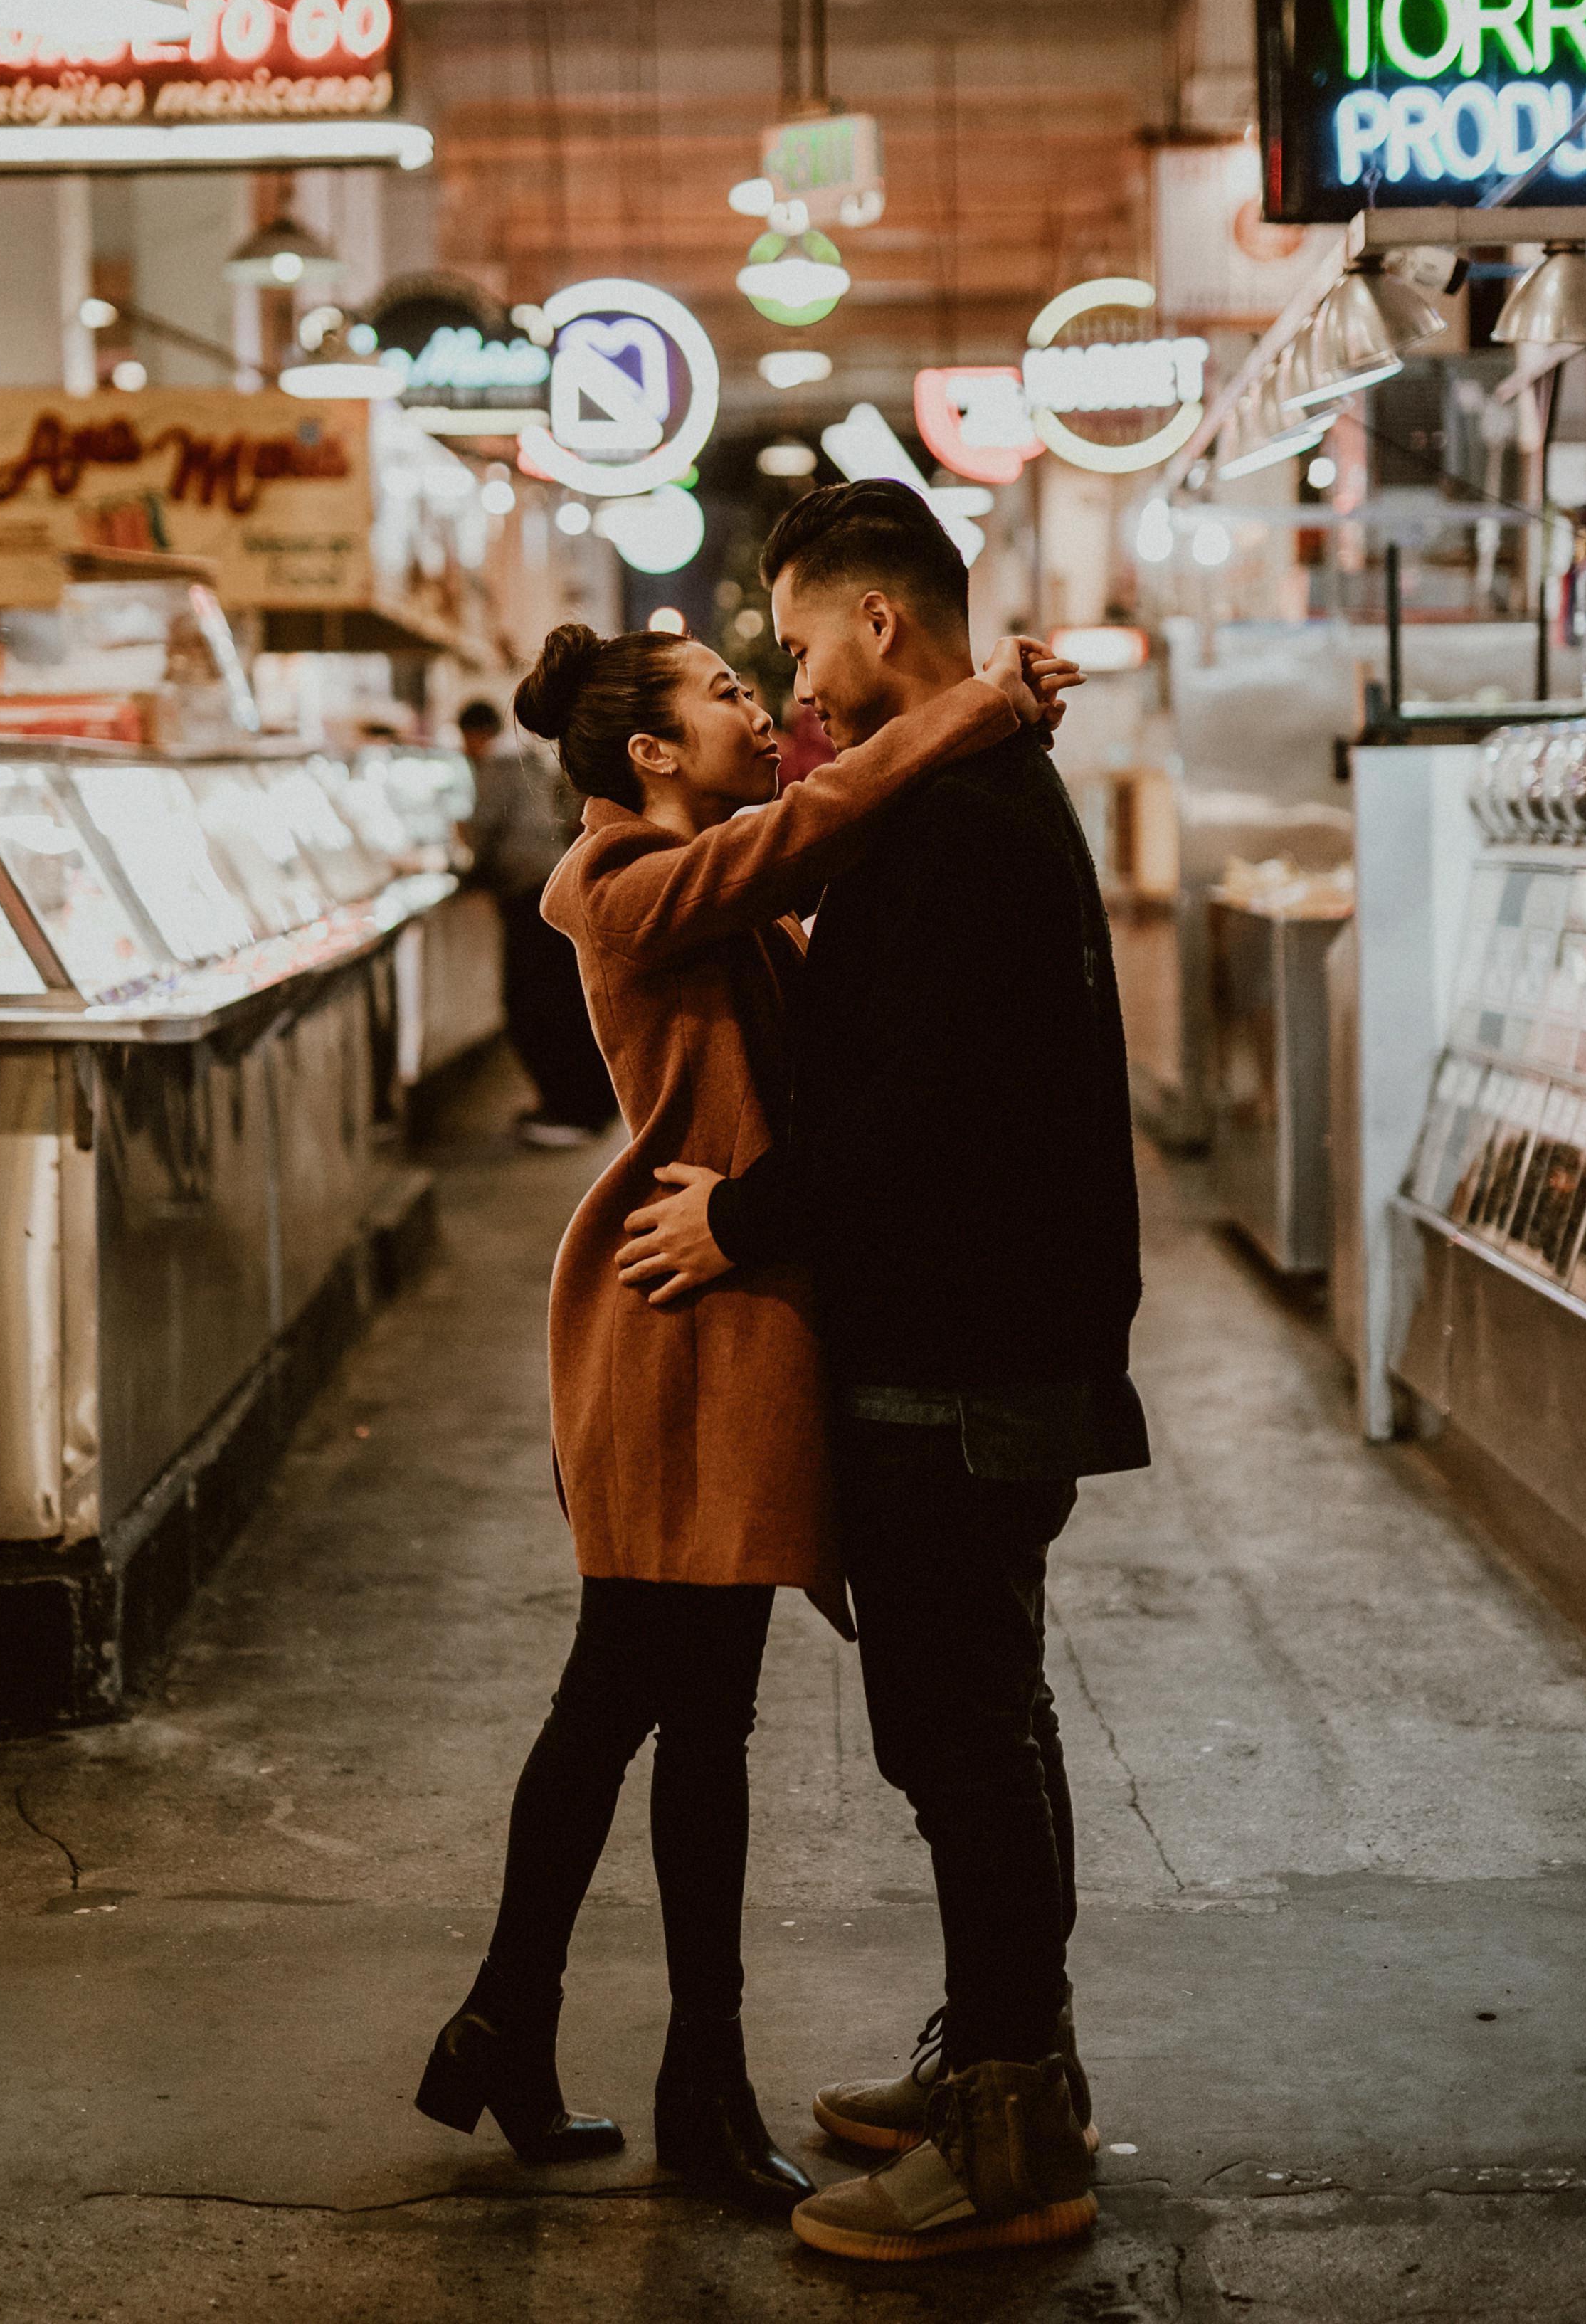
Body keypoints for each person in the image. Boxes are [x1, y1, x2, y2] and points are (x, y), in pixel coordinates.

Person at [416, 618, 1074, 2221]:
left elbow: (814, 847)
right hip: (668, 1332)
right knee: (647, 1697)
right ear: (646, 751)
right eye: (720, 691)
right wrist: (972, 705)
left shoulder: (694, 868)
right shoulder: (621, 883)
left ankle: (545, 2032)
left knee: (674, 1706)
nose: (755, 706)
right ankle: (640, 2065)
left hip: (719, 1330)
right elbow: (814, 824)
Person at [613, 478, 1148, 2265]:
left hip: (966, 1355)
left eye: (799, 634)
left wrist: (738, 1219)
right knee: (982, 1727)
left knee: (963, 1740)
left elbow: (914, 1107)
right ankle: (1013, 2073)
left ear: (881, 623)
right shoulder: (969, 788)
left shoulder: (960, 818)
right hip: (989, 1341)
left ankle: (1007, 2145)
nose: (791, 675)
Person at [458, 695, 614, 1146]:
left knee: (531, 1005)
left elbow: (484, 832)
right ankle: (584, 1107)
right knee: (563, 1001)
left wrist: (468, 872)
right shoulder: (532, 759)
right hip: (553, 886)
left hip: (526, 893)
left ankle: (569, 1110)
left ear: (474, 734)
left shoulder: (498, 765)